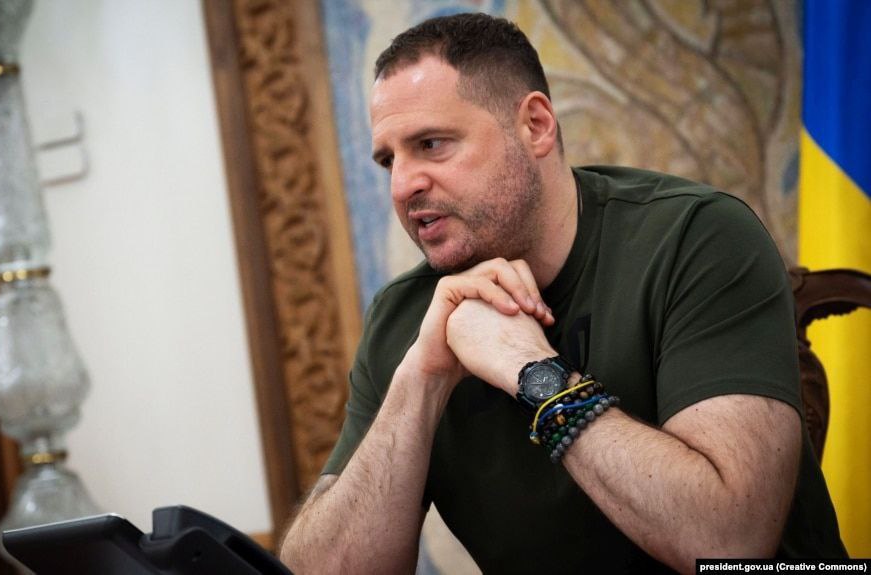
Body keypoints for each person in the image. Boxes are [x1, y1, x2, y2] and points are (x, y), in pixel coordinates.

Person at [278, 12, 845, 574]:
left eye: (431, 144)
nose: (403, 186)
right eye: (388, 161)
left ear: (535, 126)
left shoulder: (697, 238)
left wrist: (530, 371)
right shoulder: (404, 317)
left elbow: (726, 543)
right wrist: (421, 379)